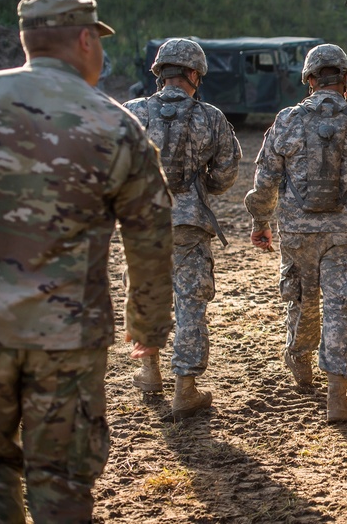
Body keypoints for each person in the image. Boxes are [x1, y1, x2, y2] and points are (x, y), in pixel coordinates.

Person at [0, 0, 174, 523]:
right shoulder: (114, 123)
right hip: (67, 339)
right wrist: (148, 325)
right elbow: (150, 237)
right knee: (62, 482)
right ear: (84, 39)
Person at [244, 43, 347, 422]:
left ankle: (300, 363)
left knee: (301, 296)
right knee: (341, 303)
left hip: (298, 230)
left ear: (310, 80)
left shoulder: (286, 119)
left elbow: (265, 180)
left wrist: (260, 223)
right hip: (346, 231)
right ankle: (337, 396)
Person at [124, 38, 242, 420]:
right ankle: (185, 390)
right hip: (188, 225)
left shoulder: (132, 112)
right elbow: (226, 172)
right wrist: (198, 188)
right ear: (194, 74)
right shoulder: (211, 117)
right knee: (190, 303)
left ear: (160, 72)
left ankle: (148, 373)